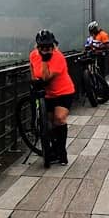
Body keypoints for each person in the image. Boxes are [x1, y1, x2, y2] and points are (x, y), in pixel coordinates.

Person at [29, 29, 76, 165]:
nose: (45, 49)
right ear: (37, 46)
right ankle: (53, 149)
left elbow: (45, 77)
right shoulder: (33, 55)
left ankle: (62, 153)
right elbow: (32, 68)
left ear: (53, 45)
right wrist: (34, 81)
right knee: (48, 124)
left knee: (59, 119)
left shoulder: (58, 57)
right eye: (42, 47)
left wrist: (45, 59)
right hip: (47, 94)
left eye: (49, 46)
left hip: (63, 92)